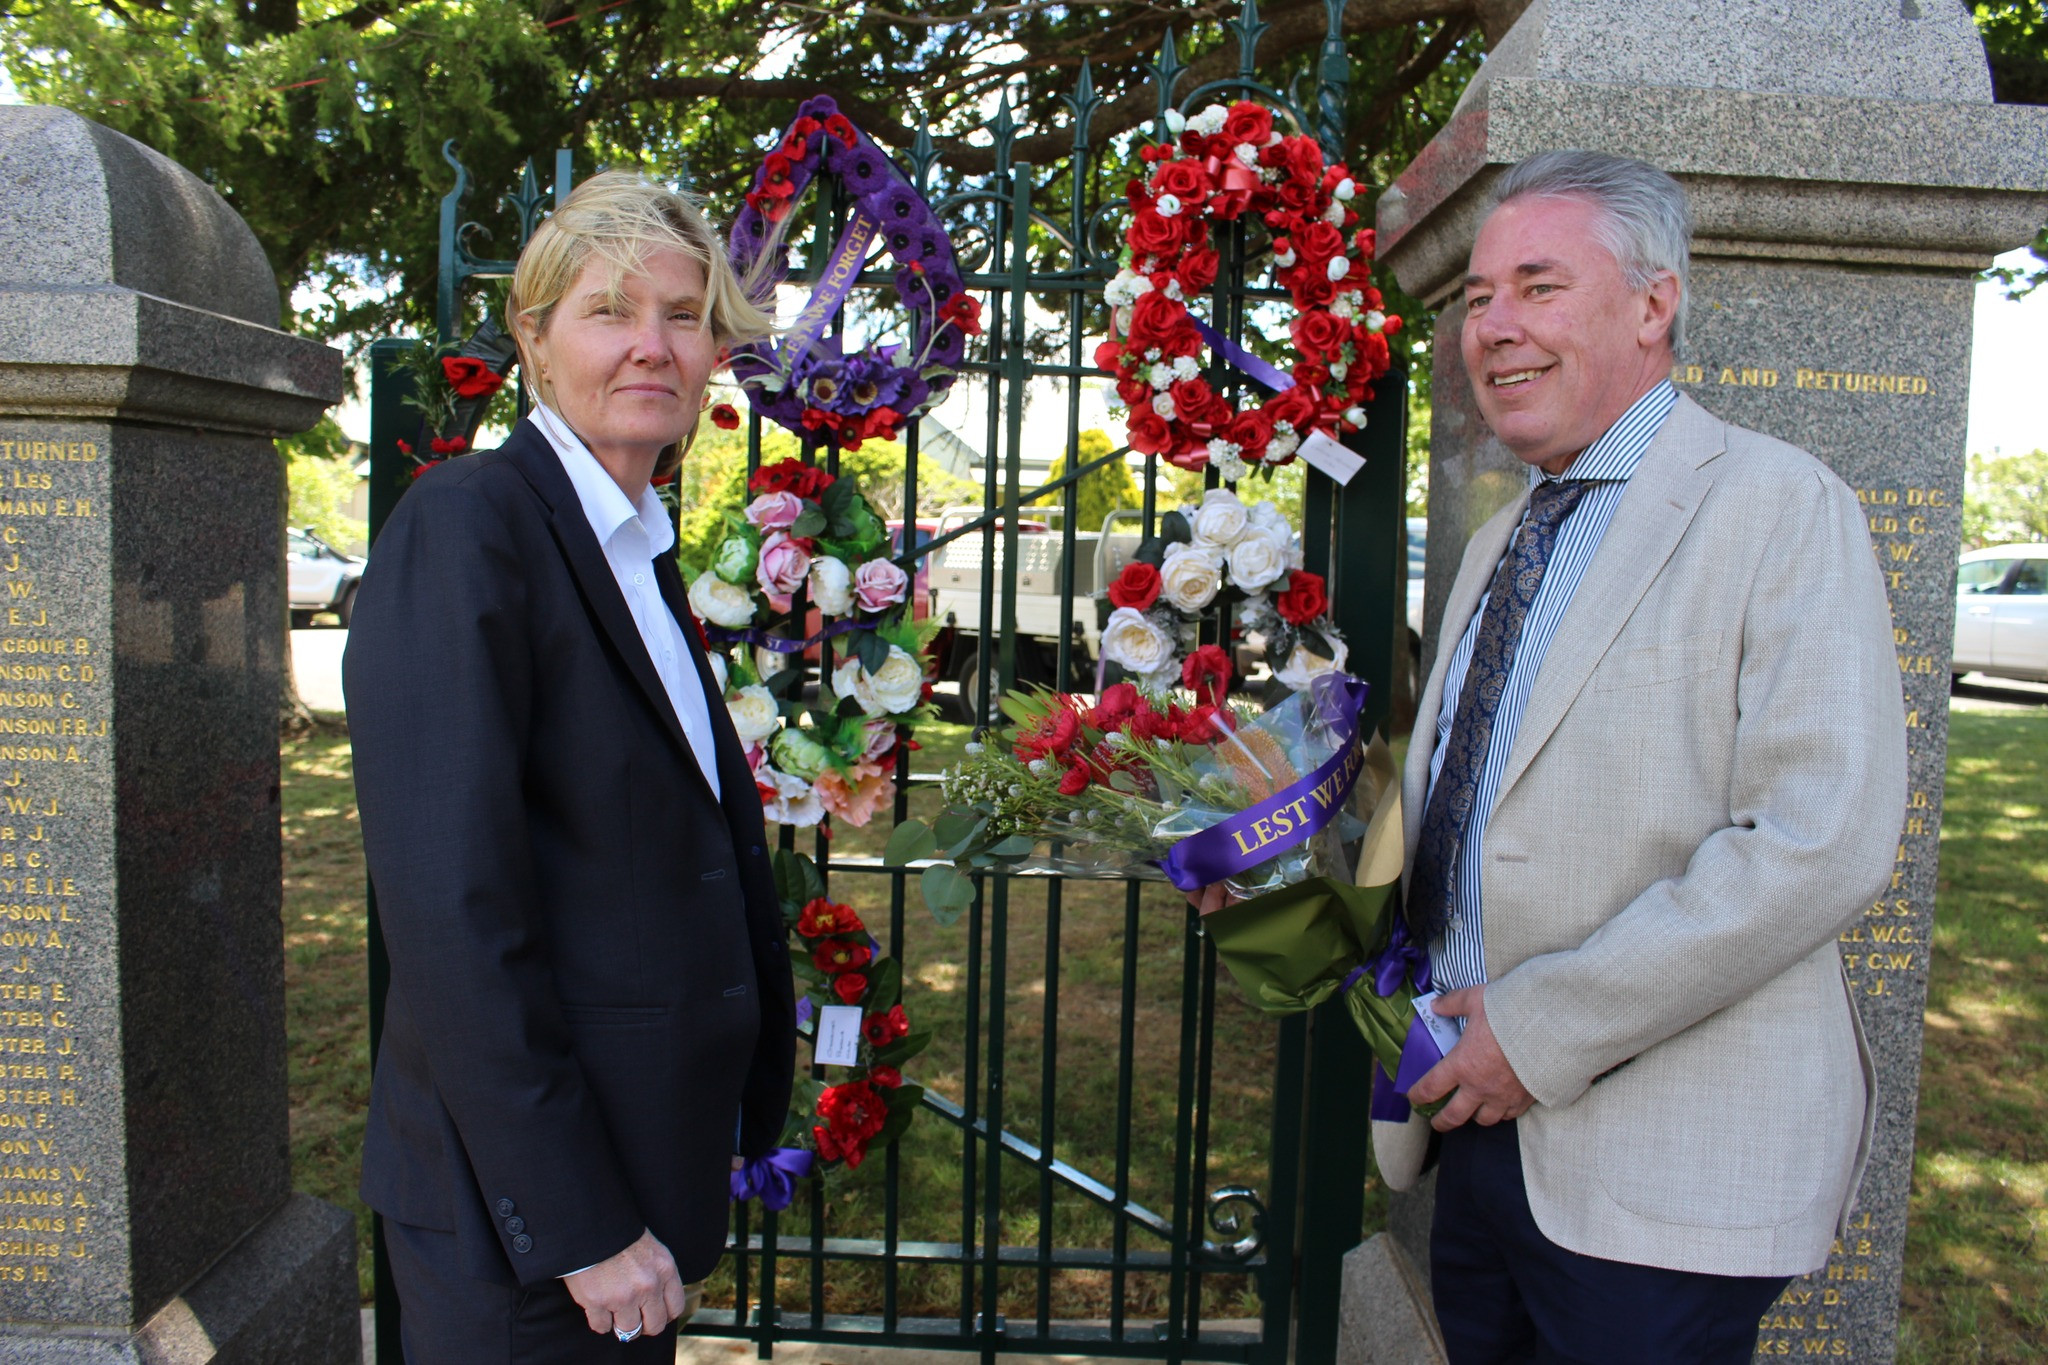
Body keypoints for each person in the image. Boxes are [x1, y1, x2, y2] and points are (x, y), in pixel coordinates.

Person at [1387, 150, 1906, 1363]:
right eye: (1475, 299)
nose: (1493, 329)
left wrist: (1537, 1032)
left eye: (1536, 286)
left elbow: (1816, 840)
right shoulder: (1497, 538)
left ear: (1652, 304)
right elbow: (1463, 808)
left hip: (1658, 1178)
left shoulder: (1779, 506)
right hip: (1472, 1140)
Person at [344, 170, 795, 1363]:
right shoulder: (468, 527)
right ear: (534, 341)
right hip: (529, 1226)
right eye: (609, 311)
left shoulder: (631, 547)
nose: (652, 345)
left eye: (684, 316)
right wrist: (580, 1226)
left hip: (637, 1168)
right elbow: (451, 917)